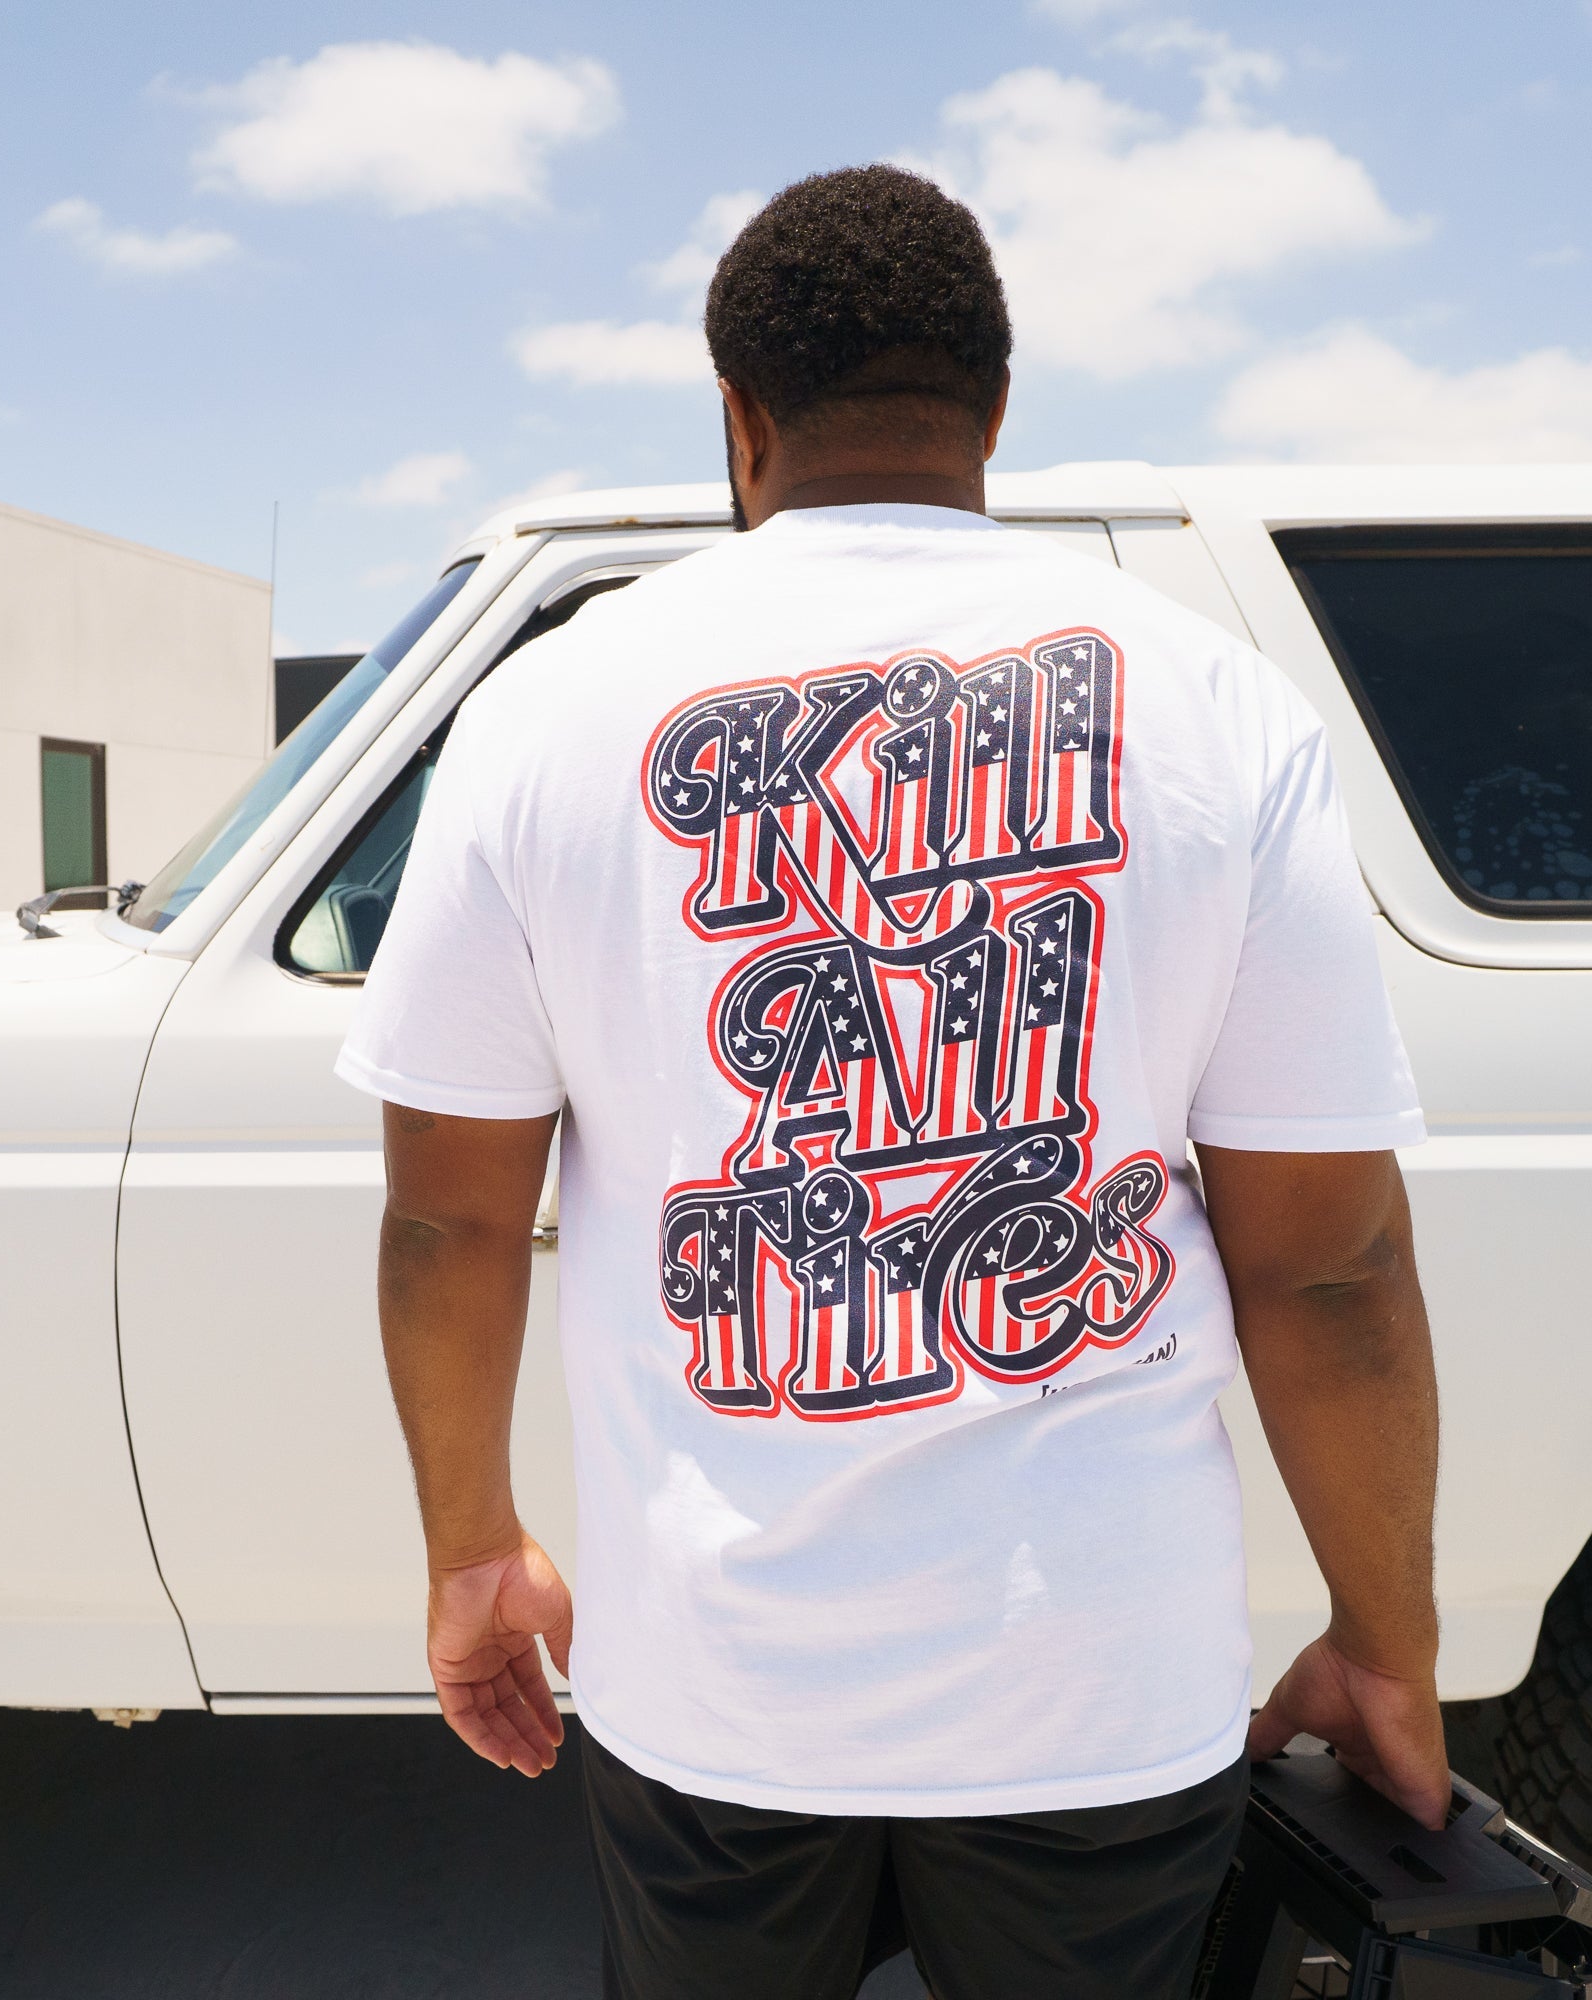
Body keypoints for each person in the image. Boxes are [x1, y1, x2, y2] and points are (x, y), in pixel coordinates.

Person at [336, 164, 1446, 2000]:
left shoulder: (548, 709)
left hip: (713, 1698)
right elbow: (1326, 1271)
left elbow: (449, 1215)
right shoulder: (1218, 708)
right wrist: (1383, 1644)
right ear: (996, 416)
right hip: (1103, 1695)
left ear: (737, 419)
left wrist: (473, 1553)